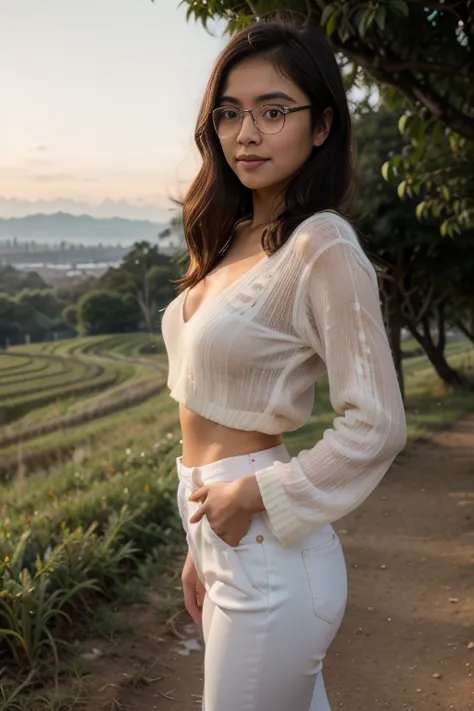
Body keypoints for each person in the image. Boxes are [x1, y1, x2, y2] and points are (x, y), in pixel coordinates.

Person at [160, 16, 407, 711]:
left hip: (269, 548)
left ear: (321, 125)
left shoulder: (321, 246)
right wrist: (198, 541)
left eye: (274, 112)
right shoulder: (230, 234)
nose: (247, 133)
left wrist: (256, 494)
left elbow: (378, 423)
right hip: (223, 531)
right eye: (231, 113)